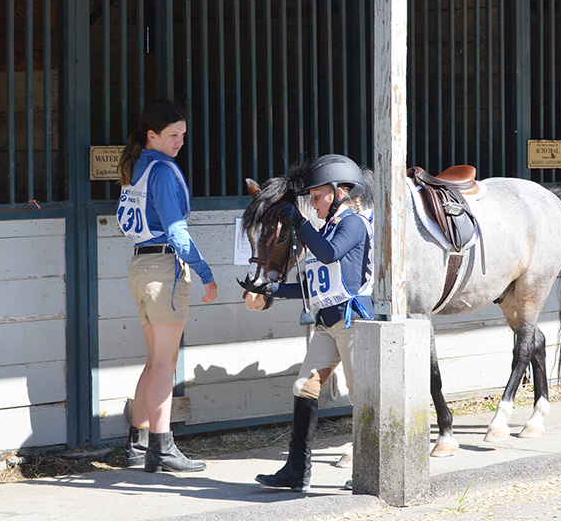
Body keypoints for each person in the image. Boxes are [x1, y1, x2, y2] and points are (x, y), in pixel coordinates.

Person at [241, 154, 374, 492]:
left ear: (339, 192)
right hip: (327, 324)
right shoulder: (322, 228)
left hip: (352, 322)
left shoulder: (353, 224)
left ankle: (372, 467)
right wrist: (271, 288)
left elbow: (330, 254)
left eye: (317, 197)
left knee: (364, 396)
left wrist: (298, 223)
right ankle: (296, 471)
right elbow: (312, 284)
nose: (312, 204)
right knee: (303, 387)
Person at [116, 98, 218, 473]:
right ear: (152, 135)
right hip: (163, 267)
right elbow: (177, 231)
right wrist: (205, 271)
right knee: (165, 363)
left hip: (140, 264)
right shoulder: (162, 170)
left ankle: (138, 444)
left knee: (154, 360)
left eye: (183, 135)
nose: (180, 142)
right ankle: (163, 446)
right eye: (173, 135)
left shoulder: (137, 167)